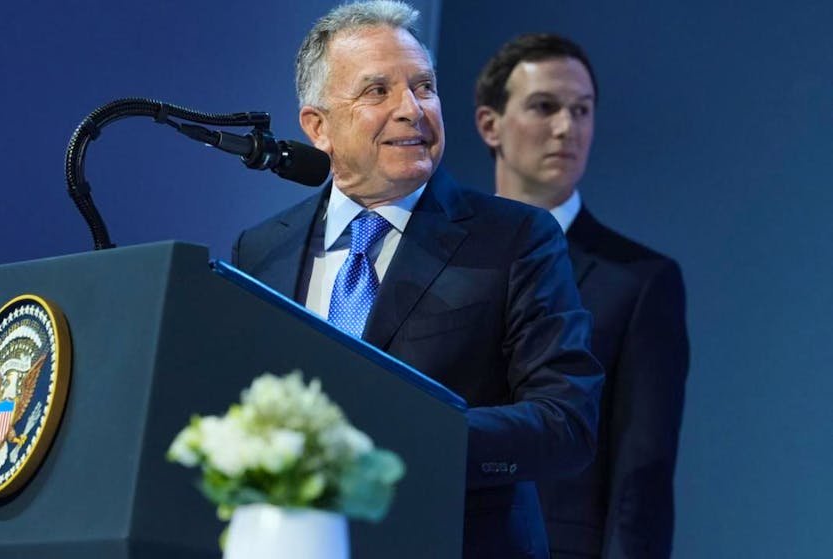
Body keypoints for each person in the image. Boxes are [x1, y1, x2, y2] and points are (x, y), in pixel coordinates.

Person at [233, 3, 604, 557]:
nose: (412, 109)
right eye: (377, 91)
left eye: (424, 87)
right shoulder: (262, 250)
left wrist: (404, 440)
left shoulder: (515, 238)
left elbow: (565, 420)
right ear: (317, 127)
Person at [474, 33, 690, 559]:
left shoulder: (639, 281)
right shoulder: (443, 256)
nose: (566, 128)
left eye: (582, 110)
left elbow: (641, 475)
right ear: (490, 125)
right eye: (544, 106)